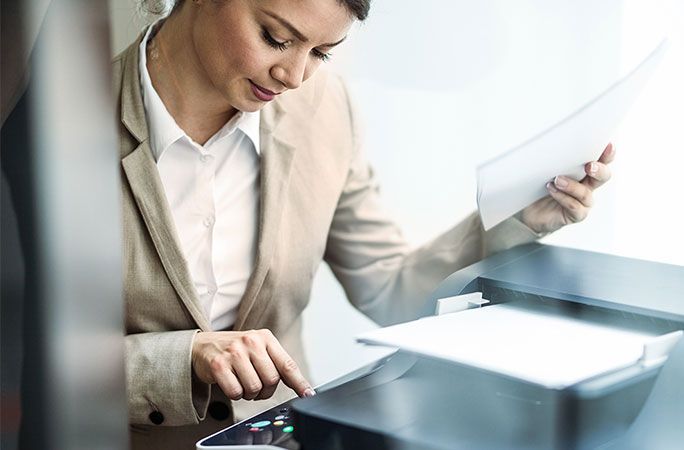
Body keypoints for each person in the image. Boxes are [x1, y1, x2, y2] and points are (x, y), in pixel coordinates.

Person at [114, 0, 614, 448]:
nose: (293, 75)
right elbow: (35, 356)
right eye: (276, 37)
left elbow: (391, 287)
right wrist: (182, 357)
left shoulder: (322, 110)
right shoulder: (58, 126)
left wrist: (520, 219)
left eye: (321, 53)